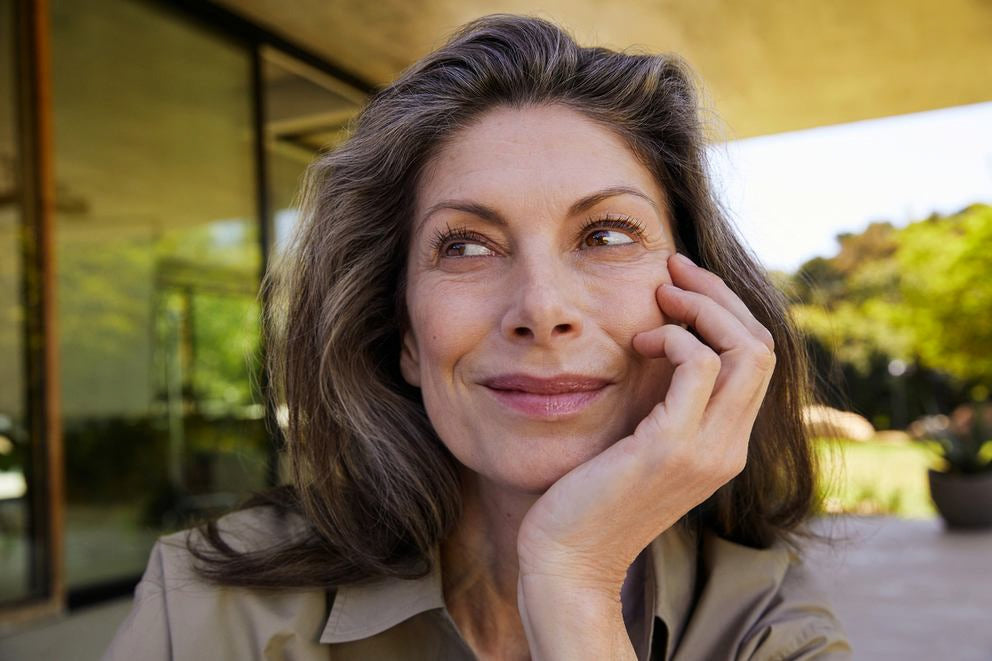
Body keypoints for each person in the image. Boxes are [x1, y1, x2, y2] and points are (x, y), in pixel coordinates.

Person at [104, 13, 851, 661]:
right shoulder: (207, 610)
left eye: (606, 234)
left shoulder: (771, 628)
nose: (541, 307)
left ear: (701, 300)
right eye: (465, 246)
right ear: (400, 330)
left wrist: (573, 582)